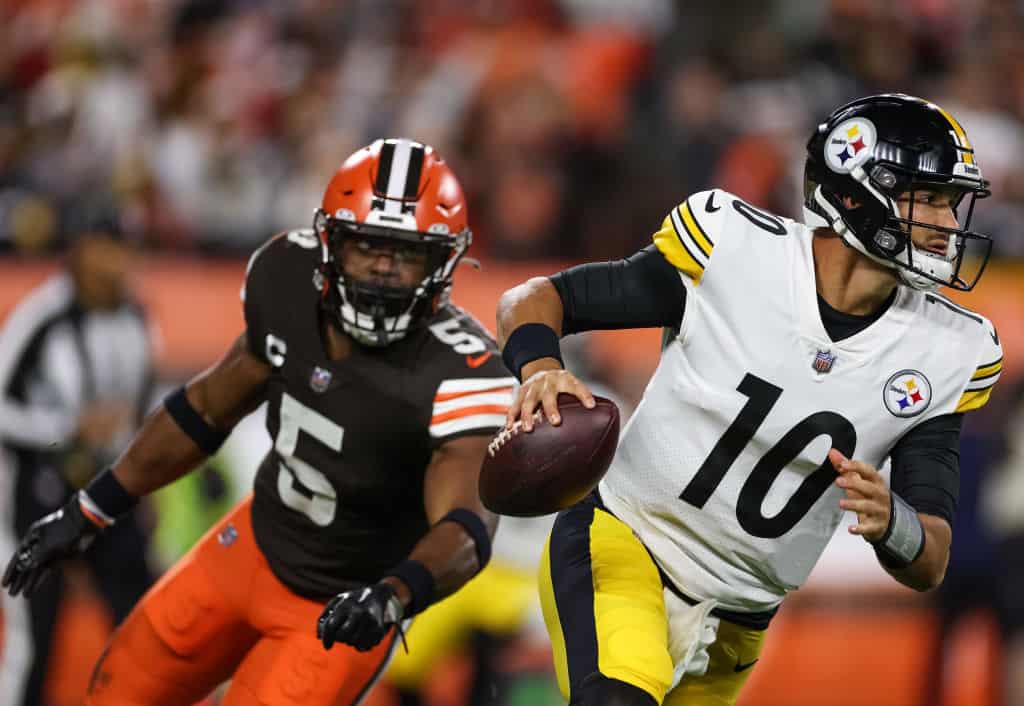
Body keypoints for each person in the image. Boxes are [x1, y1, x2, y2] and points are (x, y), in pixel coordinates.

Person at [495, 94, 1003, 706]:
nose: (949, 224)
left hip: (738, 622)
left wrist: (892, 523)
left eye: (951, 203)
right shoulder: (733, 249)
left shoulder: (949, 348)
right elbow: (533, 299)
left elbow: (931, 558)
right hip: (624, 545)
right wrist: (541, 368)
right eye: (930, 200)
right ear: (855, 193)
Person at [3, 138, 515, 706]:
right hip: (249, 547)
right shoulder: (285, 277)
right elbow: (205, 409)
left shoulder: (464, 370)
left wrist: (394, 595)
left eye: (408, 254)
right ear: (330, 243)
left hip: (340, 605)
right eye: (368, 245)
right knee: (116, 691)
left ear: (443, 262)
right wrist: (90, 509)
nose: (384, 269)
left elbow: (467, 526)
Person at [0, 208, 155, 706]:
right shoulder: (43, 317)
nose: (114, 262)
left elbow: (146, 409)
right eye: (104, 246)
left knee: (139, 623)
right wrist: (65, 429)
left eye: (122, 248)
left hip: (109, 488)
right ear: (80, 249)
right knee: (36, 629)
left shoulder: (137, 317)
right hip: (39, 490)